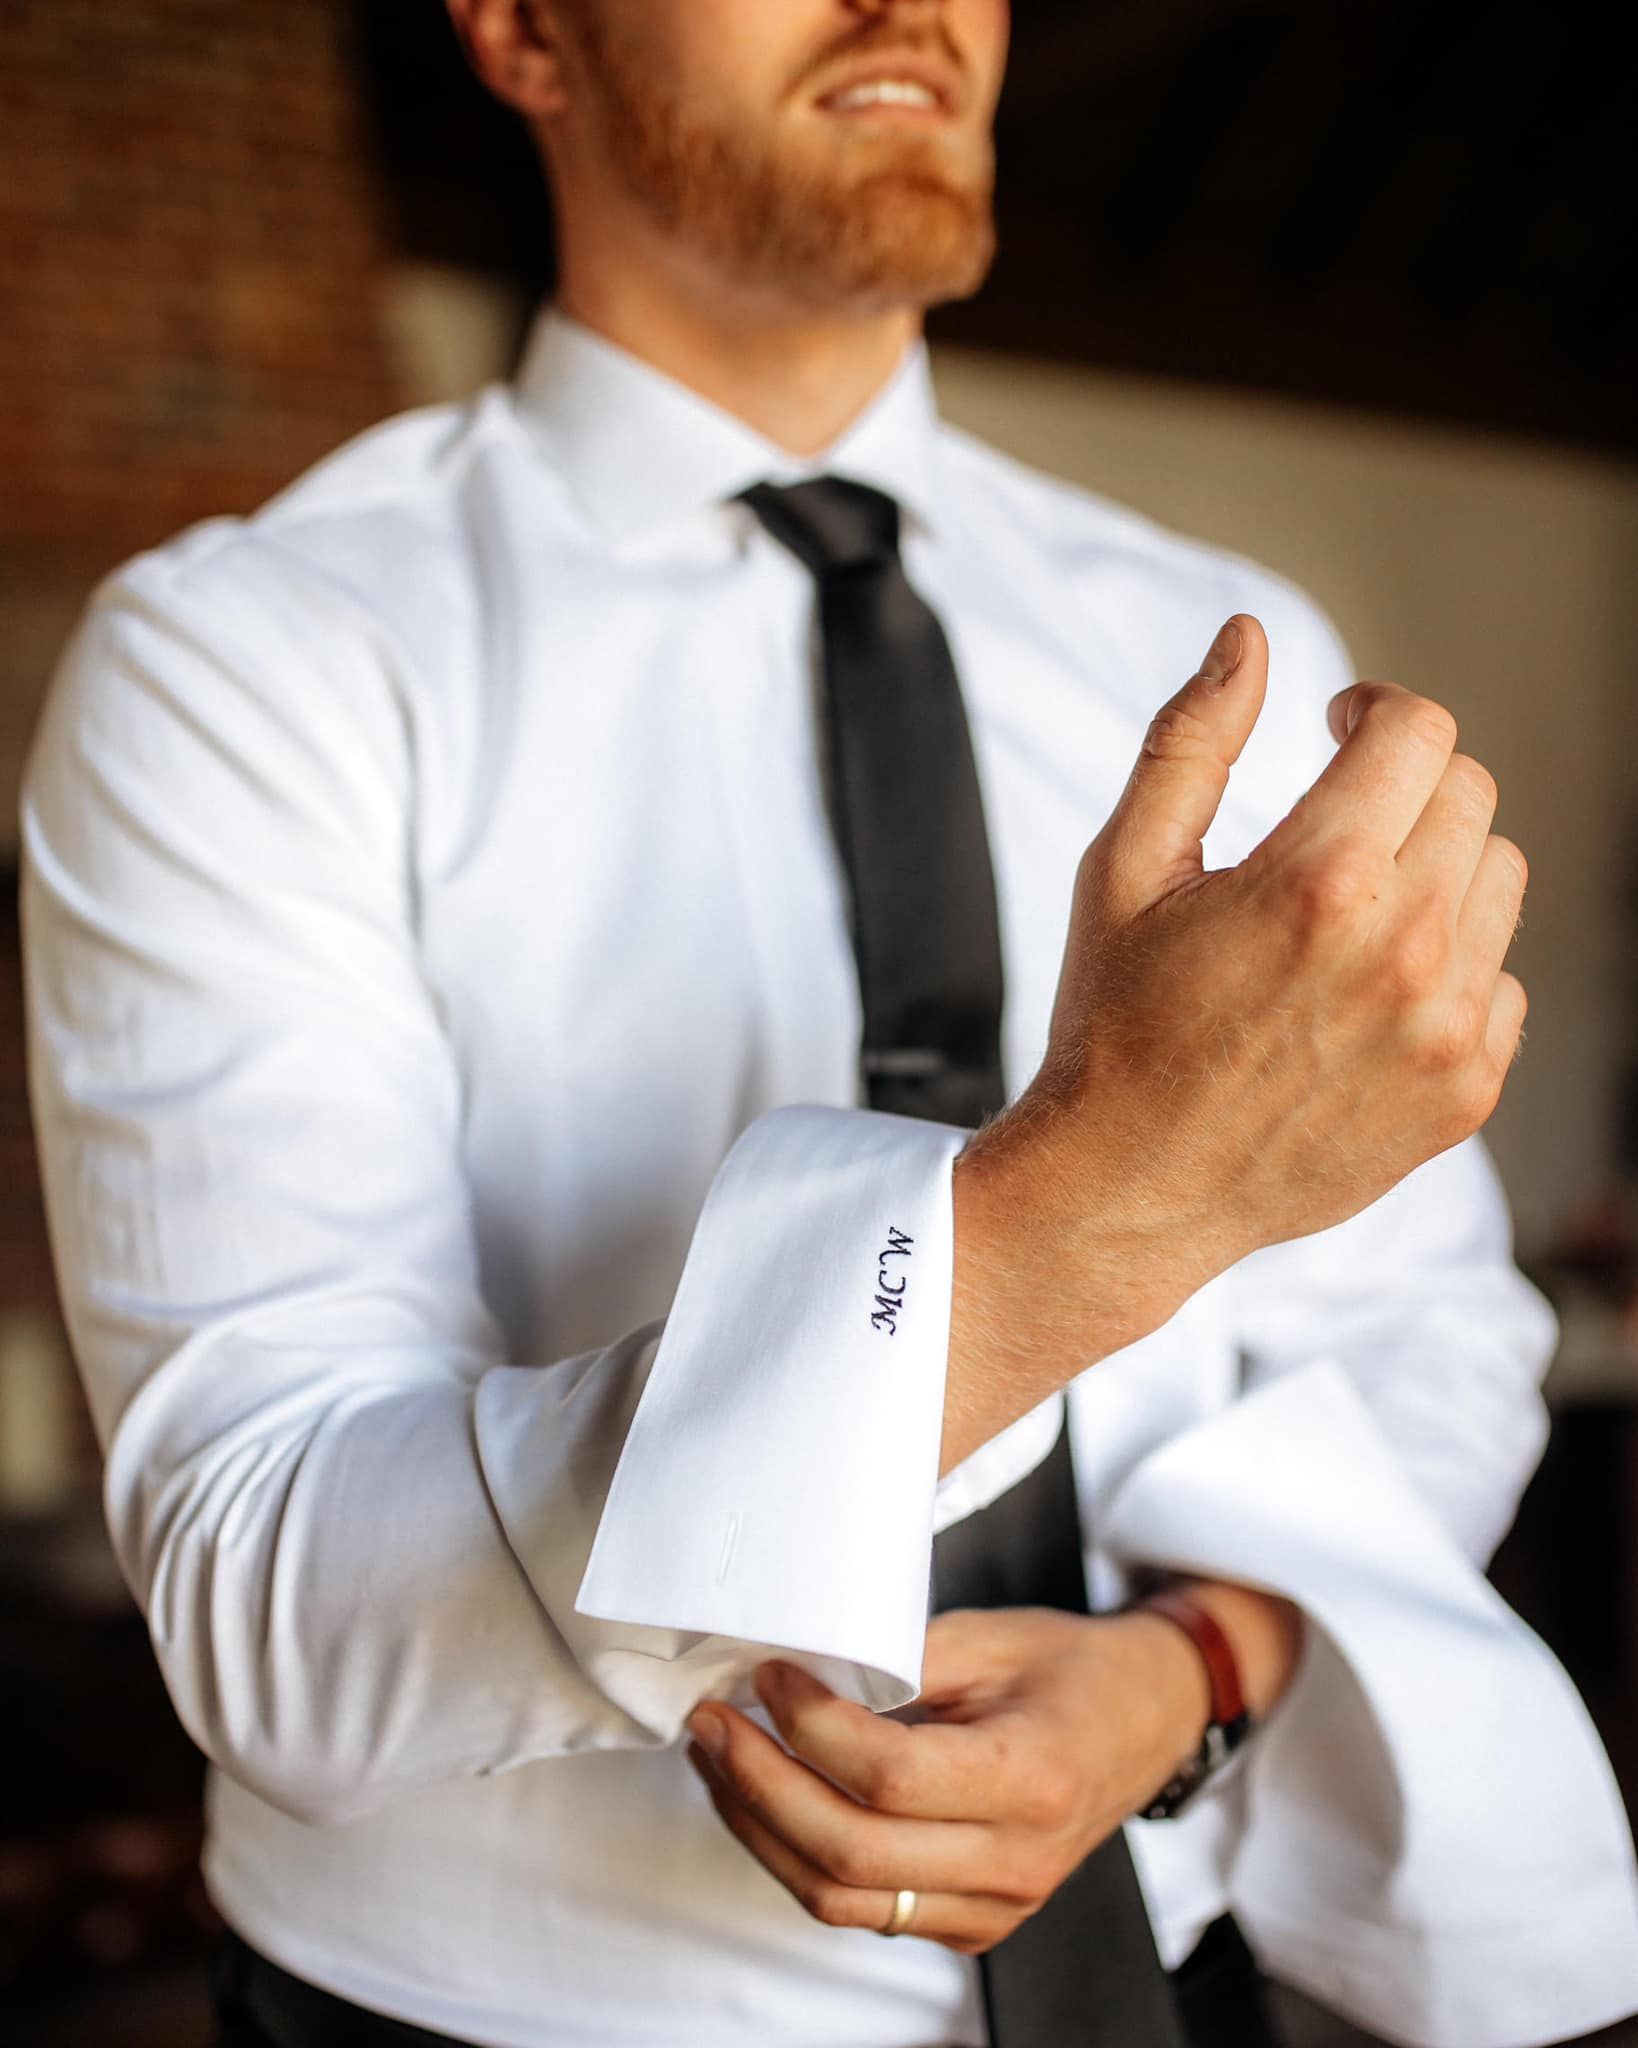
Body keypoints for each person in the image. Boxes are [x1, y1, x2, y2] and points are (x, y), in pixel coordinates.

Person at [19, 0, 1638, 2044]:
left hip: (1170, 1975)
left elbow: (1428, 1340)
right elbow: (273, 1595)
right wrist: (1086, 1210)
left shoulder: (1218, 638)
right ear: (523, 32)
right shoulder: (243, 662)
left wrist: (1196, 1668)